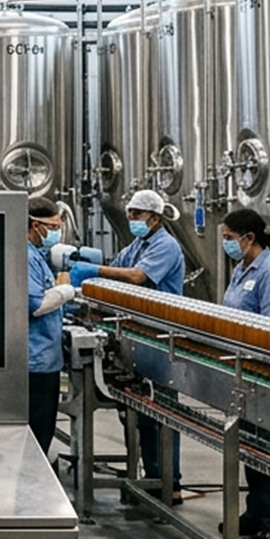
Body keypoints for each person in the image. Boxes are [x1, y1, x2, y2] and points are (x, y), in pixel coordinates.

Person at [91, 189, 187, 501]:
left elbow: (135, 277)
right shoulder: (139, 243)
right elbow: (117, 267)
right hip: (138, 337)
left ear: (155, 218)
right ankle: (151, 479)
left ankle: (168, 482)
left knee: (162, 413)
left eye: (137, 214)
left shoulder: (165, 246)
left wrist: (94, 271)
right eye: (129, 213)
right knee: (143, 413)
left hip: (160, 339)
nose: (131, 219)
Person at [218, 208, 270, 539]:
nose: (226, 244)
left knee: (268, 447)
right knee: (251, 446)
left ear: (248, 239)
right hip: (242, 371)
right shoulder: (242, 269)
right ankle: (255, 513)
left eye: (229, 238)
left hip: (263, 372)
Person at [26, 196, 79, 455]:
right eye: (54, 226)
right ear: (36, 225)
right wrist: (65, 292)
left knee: (43, 427)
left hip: (44, 358)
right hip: (35, 361)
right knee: (37, 432)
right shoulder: (24, 255)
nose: (56, 232)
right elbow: (35, 305)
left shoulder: (36, 254)